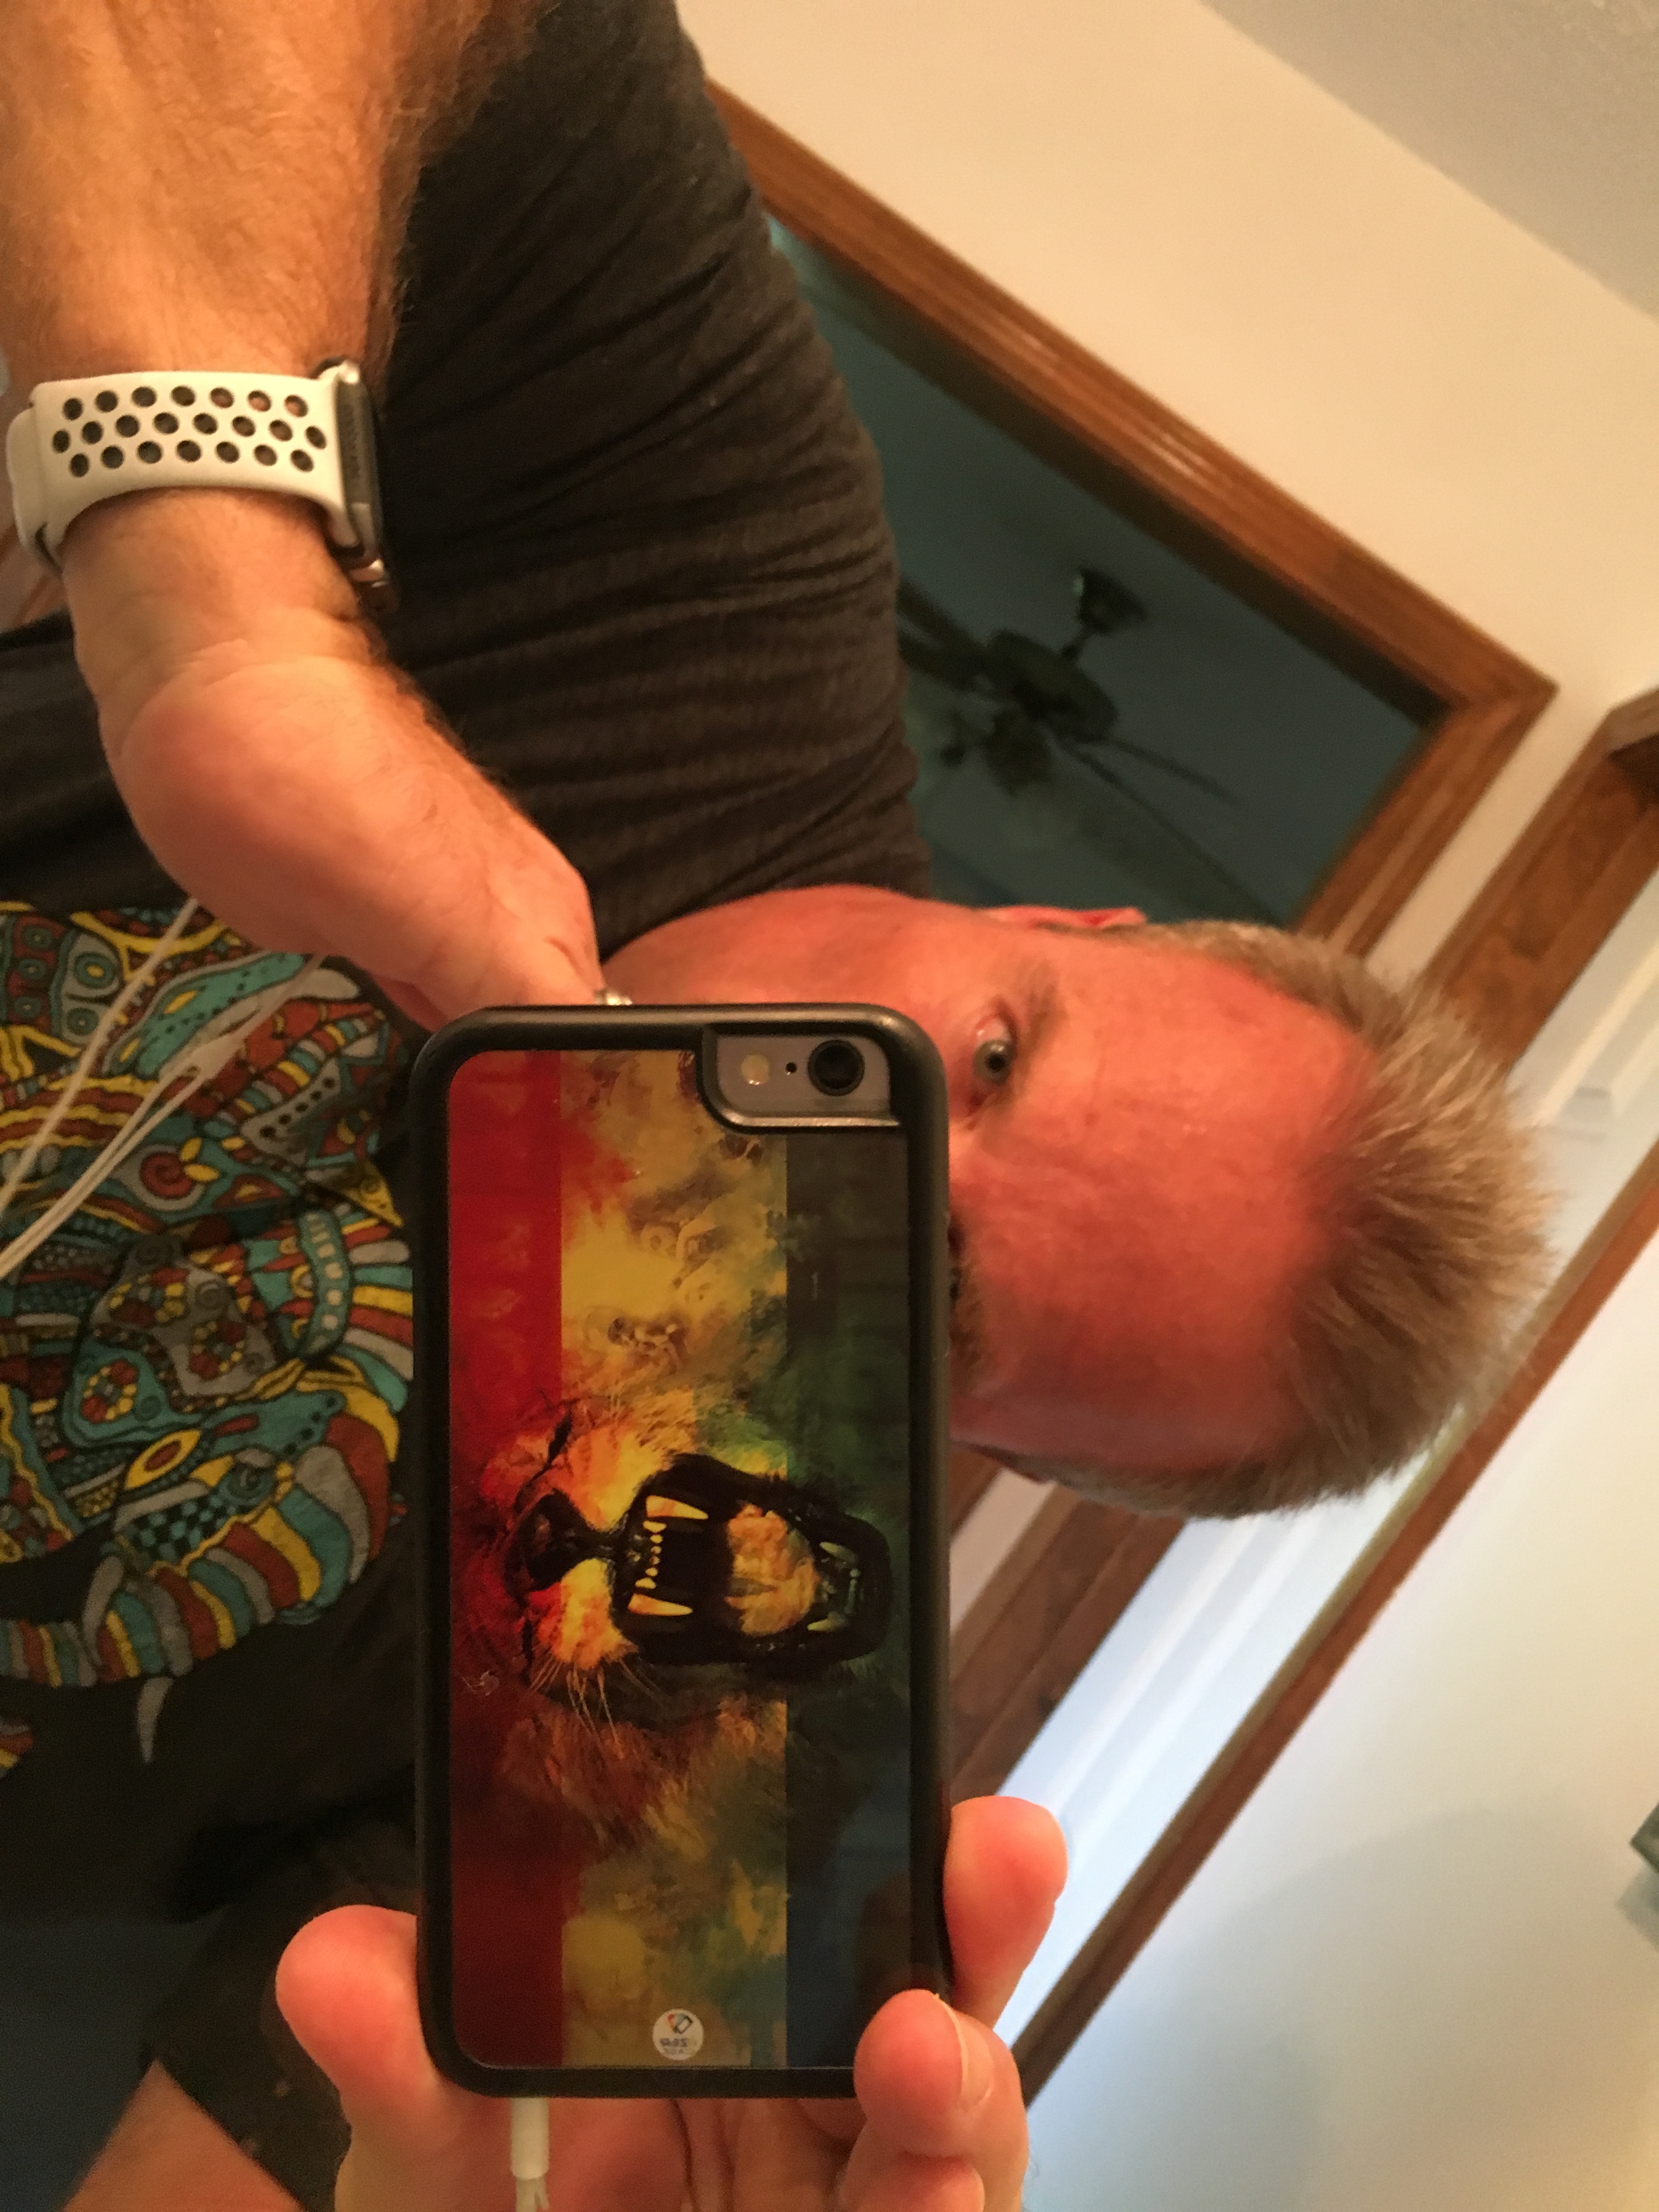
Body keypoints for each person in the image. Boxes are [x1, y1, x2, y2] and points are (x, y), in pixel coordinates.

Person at [0, 1, 1543, 2205]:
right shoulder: (716, 572)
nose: (887, 1139)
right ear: (1073, 920)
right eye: (994, 1055)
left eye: (949, 1287)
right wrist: (228, 614)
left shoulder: (665, 1684)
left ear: (974, 1447)